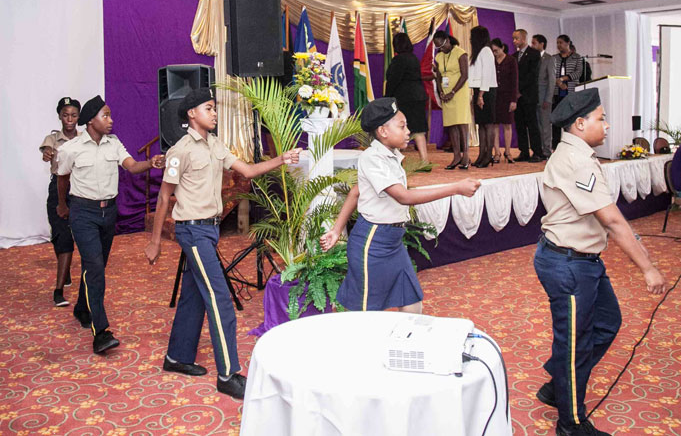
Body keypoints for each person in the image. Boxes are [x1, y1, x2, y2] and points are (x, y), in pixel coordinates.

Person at [144, 88, 300, 400]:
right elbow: (163, 197)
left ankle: (177, 357)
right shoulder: (179, 151)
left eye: (214, 108)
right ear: (192, 114)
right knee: (220, 299)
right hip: (193, 232)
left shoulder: (215, 144)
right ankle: (228, 374)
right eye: (209, 108)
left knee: (193, 296)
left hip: (209, 230)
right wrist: (155, 241)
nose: (214, 113)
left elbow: (248, 171)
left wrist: (281, 159)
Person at [534, 88, 668, 436]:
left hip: (582, 259)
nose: (607, 125)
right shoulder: (576, 159)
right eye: (601, 119)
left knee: (608, 323)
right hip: (569, 263)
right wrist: (647, 267)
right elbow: (611, 220)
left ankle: (558, 386)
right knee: (574, 344)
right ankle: (571, 424)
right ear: (580, 124)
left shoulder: (578, 153)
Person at [321, 97, 480, 313]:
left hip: (394, 242)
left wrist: (336, 229)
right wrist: (455, 188)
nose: (408, 132)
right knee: (365, 313)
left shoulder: (392, 155)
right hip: (373, 242)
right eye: (402, 126)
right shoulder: (372, 158)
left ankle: (408, 336)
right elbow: (403, 197)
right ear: (383, 131)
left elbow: (356, 191)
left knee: (412, 303)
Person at [55, 95, 164, 355]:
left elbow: (132, 166)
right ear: (91, 120)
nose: (111, 120)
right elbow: (62, 178)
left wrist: (150, 163)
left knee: (97, 266)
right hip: (83, 212)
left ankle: (82, 308)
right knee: (94, 267)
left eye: (110, 115)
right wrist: (62, 205)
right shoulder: (71, 148)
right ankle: (101, 332)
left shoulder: (113, 143)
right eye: (105, 115)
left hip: (109, 213)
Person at [39, 96, 80, 307]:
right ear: (59, 117)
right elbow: (46, 151)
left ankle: (58, 291)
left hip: (79, 189)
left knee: (67, 239)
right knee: (59, 235)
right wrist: (47, 154)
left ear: (79, 117)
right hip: (57, 189)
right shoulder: (53, 138)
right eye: (65, 115)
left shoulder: (83, 139)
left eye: (73, 115)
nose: (69, 119)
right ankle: (65, 271)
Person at [385, 32, 429, 164]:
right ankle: (425, 161)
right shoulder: (414, 58)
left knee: (400, 128)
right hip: (419, 96)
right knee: (419, 130)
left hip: (405, 98)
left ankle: (397, 161)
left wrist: (387, 97)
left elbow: (393, 80)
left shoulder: (398, 60)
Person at [434, 30, 471, 169]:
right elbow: (438, 76)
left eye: (442, 45)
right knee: (451, 125)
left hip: (459, 92)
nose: (441, 48)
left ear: (448, 40)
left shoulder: (460, 53)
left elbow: (465, 75)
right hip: (446, 93)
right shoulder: (439, 57)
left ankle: (466, 155)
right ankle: (456, 156)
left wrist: (453, 92)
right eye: (438, 47)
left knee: (462, 123)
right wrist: (441, 92)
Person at [513, 29, 546, 163]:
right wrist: (515, 91)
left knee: (532, 125)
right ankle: (524, 151)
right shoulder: (514, 55)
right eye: (513, 38)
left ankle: (537, 152)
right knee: (520, 125)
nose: (514, 41)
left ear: (523, 39)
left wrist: (520, 90)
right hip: (517, 97)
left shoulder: (534, 53)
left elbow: (532, 75)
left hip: (529, 95)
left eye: (516, 38)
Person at [469, 26, 498, 168]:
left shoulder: (486, 51)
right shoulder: (478, 52)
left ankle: (488, 155)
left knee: (488, 124)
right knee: (480, 124)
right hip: (479, 90)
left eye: (472, 36)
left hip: (486, 91)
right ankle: (481, 154)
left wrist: (481, 95)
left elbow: (486, 75)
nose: (470, 39)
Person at [551, 35, 586, 150]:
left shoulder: (577, 57)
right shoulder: (554, 58)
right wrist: (558, 82)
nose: (559, 45)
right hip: (557, 93)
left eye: (561, 42)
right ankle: (555, 146)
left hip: (571, 92)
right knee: (556, 120)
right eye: (557, 43)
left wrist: (563, 79)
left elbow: (578, 73)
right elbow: (551, 73)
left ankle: (571, 145)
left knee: (570, 120)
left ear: (568, 43)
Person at [491, 38, 518, 164]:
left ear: (502, 48)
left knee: (507, 124)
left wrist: (513, 100)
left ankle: (508, 151)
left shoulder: (511, 60)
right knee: (495, 124)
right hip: (494, 96)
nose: (495, 53)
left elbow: (514, 81)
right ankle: (497, 152)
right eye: (493, 51)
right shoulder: (492, 60)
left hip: (507, 97)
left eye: (496, 50)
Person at [534, 34, 555, 158]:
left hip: (544, 98)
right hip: (534, 98)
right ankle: (539, 149)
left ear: (542, 44)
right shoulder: (533, 58)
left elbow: (552, 81)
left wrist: (548, 99)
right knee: (537, 126)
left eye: (534, 43)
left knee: (545, 126)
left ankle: (547, 150)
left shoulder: (549, 58)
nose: (532, 45)